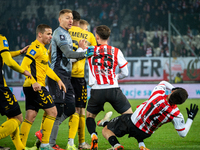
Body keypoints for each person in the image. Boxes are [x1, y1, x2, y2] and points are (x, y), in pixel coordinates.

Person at [35, 9, 94, 150]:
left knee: (70, 108)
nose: (71, 20)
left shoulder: (66, 34)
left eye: (72, 18)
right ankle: (51, 143)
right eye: (67, 18)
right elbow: (68, 53)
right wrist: (85, 53)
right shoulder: (60, 33)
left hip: (66, 75)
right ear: (59, 19)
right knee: (59, 110)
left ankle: (43, 133)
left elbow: (70, 57)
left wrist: (80, 51)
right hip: (58, 75)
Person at [98, 81, 199, 150]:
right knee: (136, 123)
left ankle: (116, 145)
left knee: (106, 129)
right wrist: (190, 118)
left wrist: (173, 88)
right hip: (145, 133)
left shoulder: (158, 94)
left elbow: (163, 82)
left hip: (132, 122)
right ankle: (141, 145)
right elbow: (183, 134)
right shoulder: (176, 114)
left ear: (172, 91)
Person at [19, 24, 66, 150]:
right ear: (40, 34)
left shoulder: (43, 49)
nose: (50, 36)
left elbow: (46, 69)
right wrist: (34, 81)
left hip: (32, 86)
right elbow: (23, 66)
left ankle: (20, 146)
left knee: (30, 116)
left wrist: (58, 80)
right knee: (53, 112)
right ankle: (45, 145)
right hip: (36, 86)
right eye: (48, 34)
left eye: (51, 34)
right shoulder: (35, 47)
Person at [86, 25, 133, 150]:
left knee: (90, 117)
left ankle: (94, 135)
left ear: (97, 36)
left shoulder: (90, 50)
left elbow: (75, 56)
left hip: (97, 90)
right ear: (108, 36)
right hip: (113, 88)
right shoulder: (116, 51)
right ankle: (110, 130)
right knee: (130, 116)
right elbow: (126, 73)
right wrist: (115, 77)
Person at [66, 11, 97, 150]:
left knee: (57, 109)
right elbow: (94, 55)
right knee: (80, 110)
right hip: (78, 77)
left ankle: (44, 135)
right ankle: (80, 142)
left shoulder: (63, 32)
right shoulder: (87, 35)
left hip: (63, 75)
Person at [0, 34, 32, 150]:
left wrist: (19, 52)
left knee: (11, 117)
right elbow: (8, 60)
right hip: (0, 88)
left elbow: (3, 55)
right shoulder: (1, 38)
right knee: (17, 118)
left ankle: (20, 147)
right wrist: (23, 71)